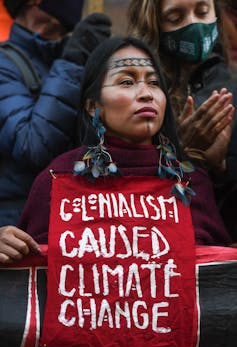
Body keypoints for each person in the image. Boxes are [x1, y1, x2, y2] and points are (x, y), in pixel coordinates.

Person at [0, 36, 232, 265]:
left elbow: (220, 280)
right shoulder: (57, 180)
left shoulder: (191, 182)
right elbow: (28, 276)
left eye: (154, 83)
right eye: (127, 82)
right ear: (93, 106)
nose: (146, 94)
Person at [127, 0, 237, 237]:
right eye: (176, 18)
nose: (194, 25)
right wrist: (181, 153)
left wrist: (220, 168)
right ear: (154, 26)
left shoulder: (231, 88)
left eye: (202, 12)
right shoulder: (137, 97)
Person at [0, 0, 111, 225]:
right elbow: (33, 145)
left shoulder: (63, 57)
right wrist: (74, 62)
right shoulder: (5, 64)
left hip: (73, 220)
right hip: (20, 228)